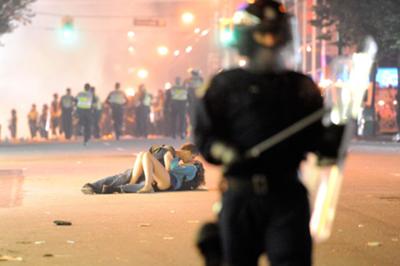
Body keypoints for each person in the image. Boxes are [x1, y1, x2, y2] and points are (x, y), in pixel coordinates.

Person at [194, 1, 343, 266]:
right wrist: (225, 152)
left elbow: (318, 145)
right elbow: (206, 138)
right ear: (247, 40)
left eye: (276, 35)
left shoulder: (301, 87)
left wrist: (332, 141)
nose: (271, 44)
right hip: (241, 196)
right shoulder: (224, 86)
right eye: (264, 35)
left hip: (286, 196)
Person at [81, 143, 205, 194]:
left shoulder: (193, 168)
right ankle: (130, 183)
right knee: (139, 157)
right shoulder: (172, 153)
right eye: (193, 156)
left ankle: (146, 185)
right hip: (155, 175)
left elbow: (170, 169)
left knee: (145, 156)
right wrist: (169, 154)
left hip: (167, 181)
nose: (193, 159)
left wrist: (169, 156)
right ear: (188, 152)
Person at [185, 69, 204, 134]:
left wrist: (186, 101)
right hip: (198, 101)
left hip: (191, 101)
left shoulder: (188, 80)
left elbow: (186, 91)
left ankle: (193, 128)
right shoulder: (201, 79)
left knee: (191, 115)